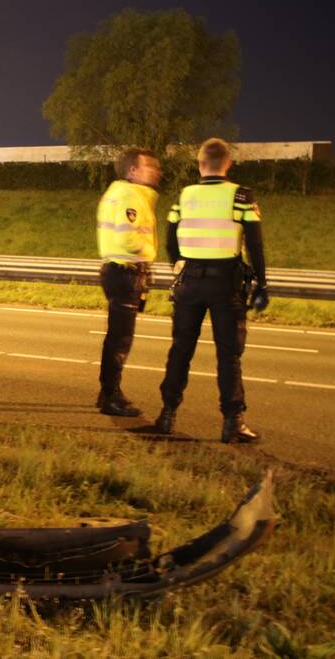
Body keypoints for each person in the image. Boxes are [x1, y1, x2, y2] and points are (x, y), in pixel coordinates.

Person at [156, 138, 269, 442]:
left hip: (189, 282)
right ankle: (232, 422)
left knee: (181, 350)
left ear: (199, 164)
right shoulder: (241, 195)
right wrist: (263, 283)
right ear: (228, 163)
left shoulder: (185, 195)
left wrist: (178, 265)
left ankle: (167, 414)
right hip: (225, 285)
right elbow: (255, 245)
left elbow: (169, 238)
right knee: (228, 355)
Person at [95, 148, 161, 416]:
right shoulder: (129, 196)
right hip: (126, 272)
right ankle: (110, 396)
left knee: (117, 337)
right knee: (120, 339)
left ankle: (108, 392)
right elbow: (128, 237)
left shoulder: (119, 193)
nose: (156, 171)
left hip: (120, 271)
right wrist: (147, 253)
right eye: (149, 166)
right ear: (133, 170)